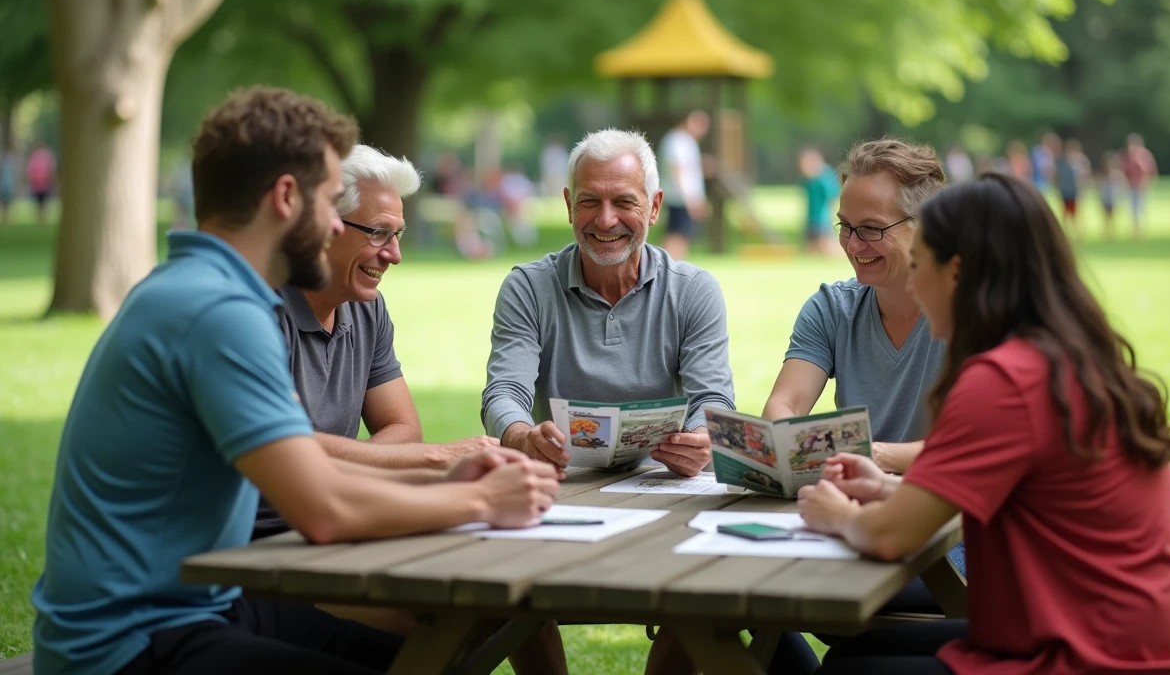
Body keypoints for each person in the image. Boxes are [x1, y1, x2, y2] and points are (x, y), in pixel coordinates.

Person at [31, 86, 560, 675]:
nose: (336, 224)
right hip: (128, 644)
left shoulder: (202, 287)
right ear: (286, 197)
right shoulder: (221, 312)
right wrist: (481, 498)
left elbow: (317, 479)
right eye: (334, 202)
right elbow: (324, 508)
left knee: (434, 659)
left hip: (200, 608)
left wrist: (447, 484)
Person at [801, 173, 1170, 674]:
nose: (914, 286)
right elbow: (1022, 498)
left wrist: (836, 515)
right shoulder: (1063, 358)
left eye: (920, 265)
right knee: (855, 653)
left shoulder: (1006, 381)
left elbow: (888, 538)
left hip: (1095, 656)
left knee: (852, 669)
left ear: (957, 274)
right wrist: (886, 489)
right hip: (1133, 639)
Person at [482, 127, 736, 675]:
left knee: (709, 588)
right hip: (559, 487)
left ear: (655, 205)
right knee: (504, 576)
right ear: (568, 203)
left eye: (624, 202)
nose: (605, 220)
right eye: (590, 202)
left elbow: (713, 400)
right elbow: (504, 392)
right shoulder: (527, 286)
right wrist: (522, 436)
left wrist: (700, 439)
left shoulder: (693, 289)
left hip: (664, 486)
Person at [761, 139, 952, 673]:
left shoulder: (964, 312)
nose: (851, 243)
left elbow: (968, 451)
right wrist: (785, 449)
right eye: (845, 225)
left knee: (844, 654)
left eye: (871, 228)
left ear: (924, 225)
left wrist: (873, 457)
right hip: (856, 511)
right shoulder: (832, 306)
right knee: (725, 586)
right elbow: (784, 403)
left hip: (944, 534)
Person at [253, 144, 501, 540]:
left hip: (334, 519)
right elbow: (286, 450)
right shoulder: (258, 313)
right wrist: (439, 458)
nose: (395, 254)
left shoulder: (366, 307)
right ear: (325, 226)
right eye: (379, 233)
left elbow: (403, 426)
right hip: (259, 546)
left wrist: (330, 457)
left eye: (397, 234)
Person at [658, 111, 709, 261]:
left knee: (682, 235)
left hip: (684, 197)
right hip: (678, 198)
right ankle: (668, 267)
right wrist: (690, 199)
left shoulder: (687, 141)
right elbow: (677, 170)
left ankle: (674, 266)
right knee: (676, 235)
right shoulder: (676, 140)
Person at [797, 148, 840, 256]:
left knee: (825, 246)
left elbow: (833, 195)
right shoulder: (810, 178)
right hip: (811, 217)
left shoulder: (824, 176)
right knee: (810, 248)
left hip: (822, 218)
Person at [1123, 132, 1158, 240]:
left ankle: (1140, 232)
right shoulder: (1128, 156)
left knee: (1140, 209)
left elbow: (1148, 171)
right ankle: (1135, 231)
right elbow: (1125, 171)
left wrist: (1145, 184)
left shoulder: (1143, 155)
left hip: (1140, 187)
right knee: (1132, 210)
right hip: (1131, 186)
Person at [25, 142, 55, 224]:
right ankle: (40, 217)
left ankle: (42, 217)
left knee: (44, 200)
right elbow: (30, 169)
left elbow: (50, 169)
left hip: (45, 182)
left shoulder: (46, 156)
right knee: (38, 200)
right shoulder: (34, 156)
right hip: (37, 182)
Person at [1097, 151, 1124, 239]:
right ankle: (1107, 231)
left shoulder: (1116, 174)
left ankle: (1112, 231)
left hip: (1113, 198)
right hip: (1105, 197)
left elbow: (1121, 185)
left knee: (1112, 215)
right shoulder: (1102, 175)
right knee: (1106, 215)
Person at [0, 148, 16, 224]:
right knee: (4, 202)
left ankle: (7, 218)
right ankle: (4, 217)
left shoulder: (9, 162)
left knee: (8, 202)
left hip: (8, 184)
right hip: (3, 185)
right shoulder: (3, 163)